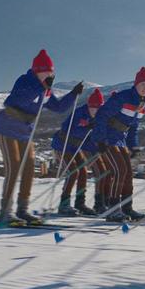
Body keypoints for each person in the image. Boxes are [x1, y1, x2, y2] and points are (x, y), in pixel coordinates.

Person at [0, 49, 83, 225]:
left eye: (51, 73)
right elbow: (19, 99)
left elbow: (58, 107)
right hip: (7, 127)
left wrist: (73, 94)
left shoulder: (45, 90)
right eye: (46, 72)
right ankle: (5, 212)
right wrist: (41, 87)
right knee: (14, 167)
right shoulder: (25, 81)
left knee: (28, 169)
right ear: (36, 71)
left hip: (26, 132)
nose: (49, 76)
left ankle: (23, 209)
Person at [92, 67, 145, 222]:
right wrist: (100, 139)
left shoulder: (142, 105)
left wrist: (134, 146)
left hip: (121, 140)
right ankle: (113, 209)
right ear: (136, 85)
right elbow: (101, 114)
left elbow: (132, 128)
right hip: (108, 137)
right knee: (119, 170)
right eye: (142, 85)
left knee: (127, 173)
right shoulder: (123, 97)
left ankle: (127, 207)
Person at [50, 88, 105, 216]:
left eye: (98, 108)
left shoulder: (97, 119)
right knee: (73, 172)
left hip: (75, 147)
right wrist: (85, 128)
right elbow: (68, 130)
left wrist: (99, 147)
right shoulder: (79, 113)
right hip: (61, 145)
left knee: (83, 172)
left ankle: (80, 203)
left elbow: (88, 140)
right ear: (89, 105)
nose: (95, 111)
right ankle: (64, 204)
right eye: (93, 107)